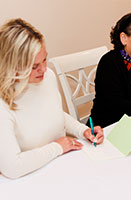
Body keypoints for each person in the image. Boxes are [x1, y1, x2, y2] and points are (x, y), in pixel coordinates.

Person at [0, 18, 104, 179]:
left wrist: (82, 131)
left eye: (44, 59)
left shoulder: (47, 77)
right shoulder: (3, 102)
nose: (43, 69)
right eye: (34, 66)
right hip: (28, 178)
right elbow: (12, 168)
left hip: (61, 165)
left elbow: (55, 114)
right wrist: (57, 147)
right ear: (11, 65)